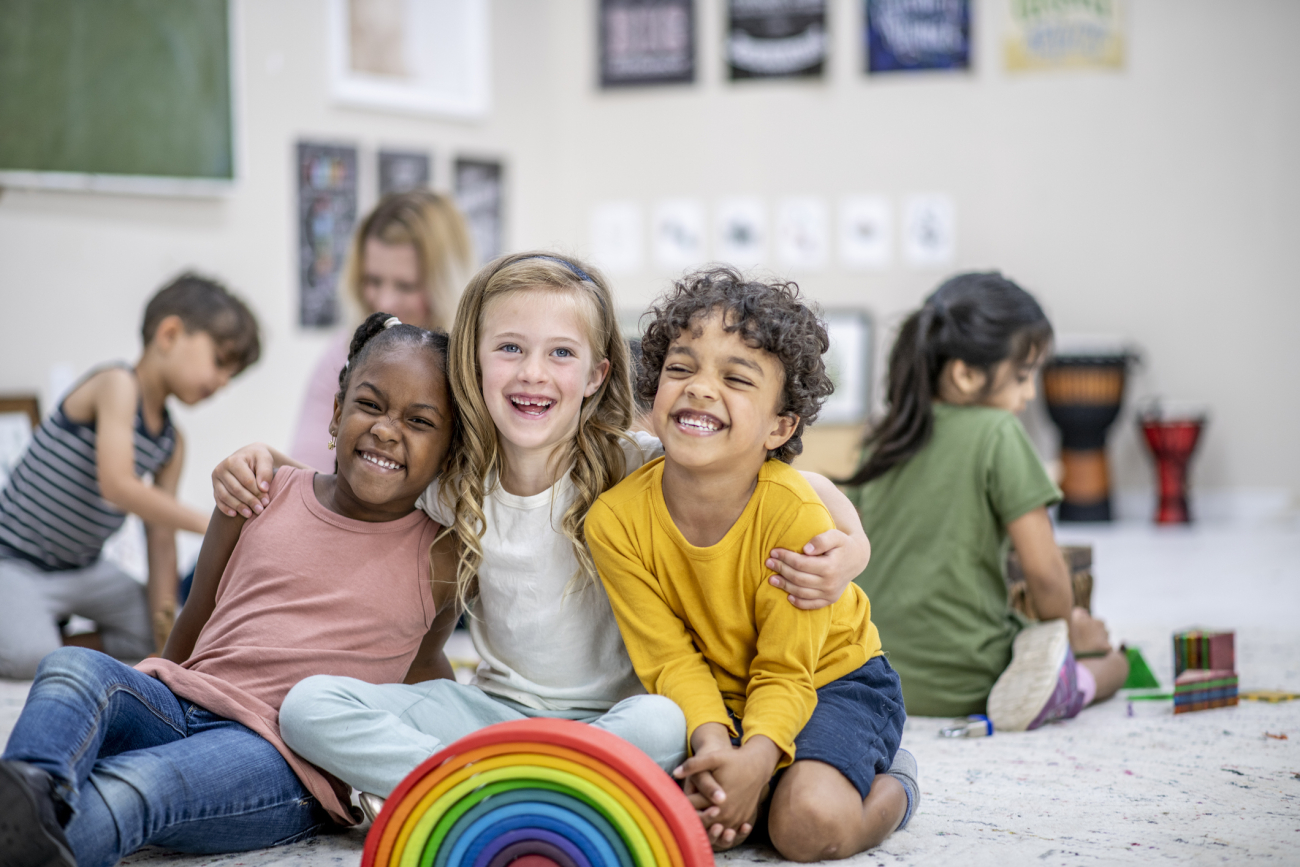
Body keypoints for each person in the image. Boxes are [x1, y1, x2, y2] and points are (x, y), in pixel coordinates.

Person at [210, 252, 871, 814]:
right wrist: (268, 462)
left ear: (595, 375)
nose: (532, 372)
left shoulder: (633, 462)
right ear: (473, 363)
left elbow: (796, 487)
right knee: (308, 706)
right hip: (493, 713)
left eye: (560, 353)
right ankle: (507, 789)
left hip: (615, 718)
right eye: (509, 349)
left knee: (667, 721)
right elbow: (361, 476)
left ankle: (480, 788)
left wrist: (854, 546)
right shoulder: (450, 482)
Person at [0, 314, 461, 867]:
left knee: (137, 783)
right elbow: (193, 621)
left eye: (419, 420)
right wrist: (148, 693)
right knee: (72, 666)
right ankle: (30, 792)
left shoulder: (442, 554)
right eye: (370, 405)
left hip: (283, 760)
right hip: (182, 704)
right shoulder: (260, 492)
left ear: (449, 450)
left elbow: (427, 672)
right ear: (337, 414)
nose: (388, 429)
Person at [586, 267, 918, 862]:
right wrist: (717, 745)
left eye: (736, 378)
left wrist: (758, 758)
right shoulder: (614, 521)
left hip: (833, 680)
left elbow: (787, 670)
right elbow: (669, 660)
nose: (700, 389)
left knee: (806, 825)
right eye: (680, 369)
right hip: (720, 690)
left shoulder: (794, 512)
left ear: (779, 426)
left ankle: (895, 784)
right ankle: (769, 775)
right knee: (682, 818)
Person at [840, 272, 1129, 730]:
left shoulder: (881, 438)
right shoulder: (997, 433)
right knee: (1115, 663)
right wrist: (1070, 631)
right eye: (1021, 376)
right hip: (972, 680)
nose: (1029, 393)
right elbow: (1045, 573)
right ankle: (1077, 682)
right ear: (965, 373)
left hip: (873, 674)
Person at [0, 273, 261, 680]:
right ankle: (38, 638)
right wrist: (213, 521)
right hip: (14, 561)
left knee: (155, 632)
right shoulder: (116, 384)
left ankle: (55, 642)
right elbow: (117, 486)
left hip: (83, 569)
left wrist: (164, 641)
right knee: (27, 659)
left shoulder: (170, 442)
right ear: (170, 334)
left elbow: (160, 540)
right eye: (220, 361)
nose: (223, 381)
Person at [291, 189, 474, 472]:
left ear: (444, 286)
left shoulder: (478, 369)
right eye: (373, 280)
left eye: (405, 286)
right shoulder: (342, 357)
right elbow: (308, 468)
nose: (384, 302)